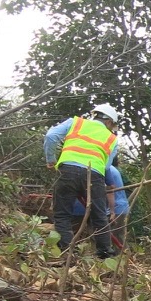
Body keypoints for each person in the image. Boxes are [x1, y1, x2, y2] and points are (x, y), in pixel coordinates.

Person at [44, 102, 119, 259]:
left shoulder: (75, 122)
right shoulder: (112, 139)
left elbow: (51, 136)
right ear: (109, 122)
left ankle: (68, 252)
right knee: (99, 215)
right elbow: (106, 166)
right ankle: (105, 254)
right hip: (95, 175)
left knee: (62, 214)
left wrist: (51, 159)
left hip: (67, 171)